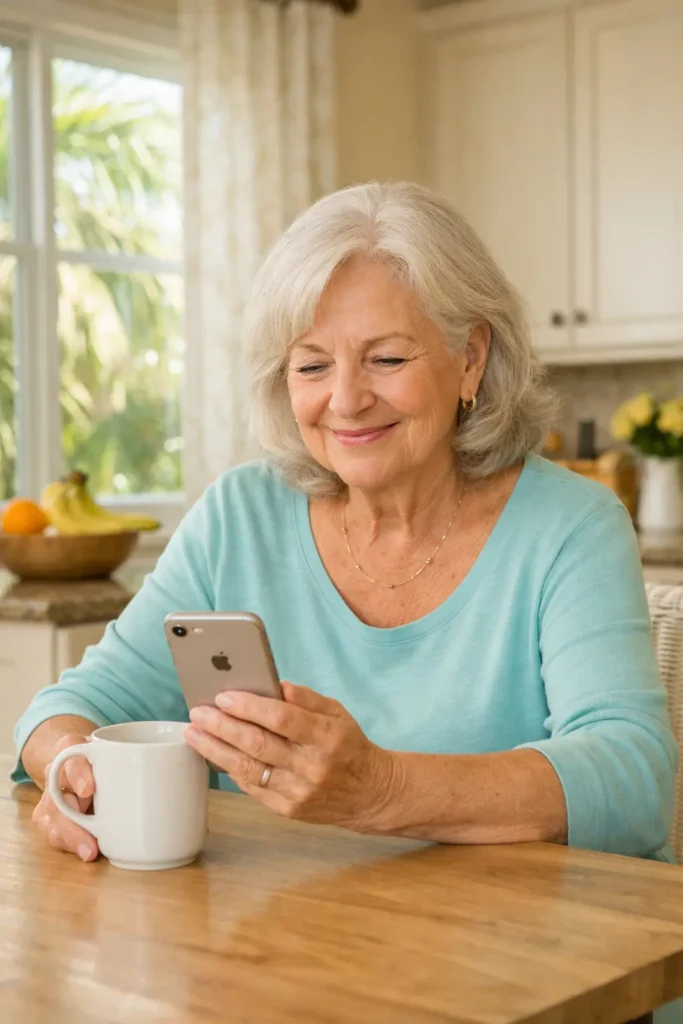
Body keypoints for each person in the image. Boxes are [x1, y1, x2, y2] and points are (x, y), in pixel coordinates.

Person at [13, 181, 677, 871]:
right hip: (290, 949)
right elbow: (74, 704)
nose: (346, 400)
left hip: (530, 952)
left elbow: (633, 782)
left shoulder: (571, 525)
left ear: (470, 358)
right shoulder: (238, 517)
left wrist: (379, 789)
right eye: (311, 365)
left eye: (387, 358)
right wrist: (73, 768)